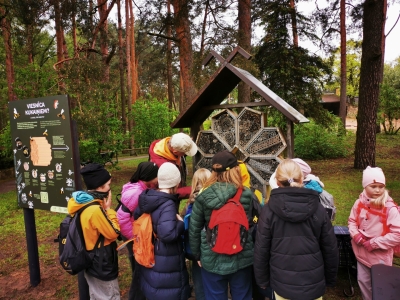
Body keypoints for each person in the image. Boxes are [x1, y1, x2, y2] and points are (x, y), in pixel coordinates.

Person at [254, 159, 338, 300]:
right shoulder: (318, 208)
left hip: (282, 284)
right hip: (313, 282)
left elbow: (261, 249)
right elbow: (330, 247)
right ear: (302, 179)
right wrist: (330, 278)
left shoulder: (268, 211)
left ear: (277, 181)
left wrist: (262, 281)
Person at [189, 150, 254, 300]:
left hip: (211, 256)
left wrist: (197, 255)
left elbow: (195, 228)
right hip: (241, 254)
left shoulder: (203, 196)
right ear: (235, 170)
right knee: (243, 296)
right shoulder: (246, 194)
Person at [134, 162, 191, 300]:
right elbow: (168, 233)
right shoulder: (167, 204)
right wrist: (180, 223)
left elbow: (137, 215)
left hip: (153, 255)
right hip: (166, 261)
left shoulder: (149, 198)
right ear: (176, 183)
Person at [68, 163, 121, 299]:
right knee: (109, 296)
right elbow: (113, 233)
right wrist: (109, 210)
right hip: (100, 261)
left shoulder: (82, 202)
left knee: (96, 294)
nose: (110, 188)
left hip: (89, 258)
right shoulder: (94, 209)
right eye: (108, 184)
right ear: (99, 186)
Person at [348, 166, 400, 300]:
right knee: (363, 282)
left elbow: (397, 234)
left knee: (380, 286)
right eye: (373, 186)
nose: (378, 190)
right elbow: (352, 221)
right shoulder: (359, 203)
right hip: (361, 254)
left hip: (379, 258)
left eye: (381, 186)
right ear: (365, 186)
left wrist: (374, 243)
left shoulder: (389, 208)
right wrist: (356, 235)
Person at [117, 162, 159, 300]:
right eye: (156, 176)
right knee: (139, 265)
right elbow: (122, 218)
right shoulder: (136, 193)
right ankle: (136, 296)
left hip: (135, 234)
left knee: (139, 262)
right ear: (149, 177)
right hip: (132, 235)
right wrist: (135, 239)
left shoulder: (139, 187)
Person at [180, 168, 211, 300]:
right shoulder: (213, 201)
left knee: (199, 281)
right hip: (209, 248)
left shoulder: (189, 204)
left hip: (194, 251)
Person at [148, 132, 198, 199]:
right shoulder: (164, 166)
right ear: (175, 152)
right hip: (166, 201)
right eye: (184, 153)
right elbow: (169, 191)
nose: (184, 155)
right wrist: (193, 190)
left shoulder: (166, 144)